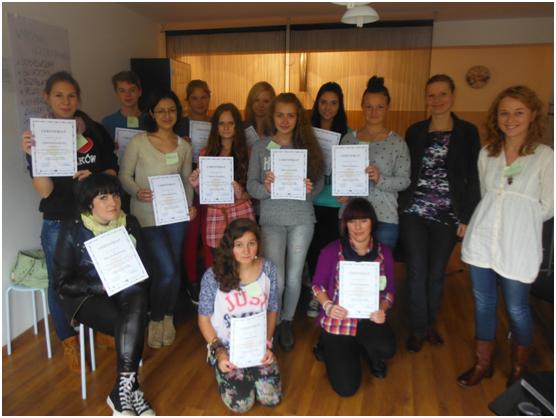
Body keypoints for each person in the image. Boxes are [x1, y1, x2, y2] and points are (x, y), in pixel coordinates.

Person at [21, 71, 118, 372]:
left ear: (79, 98)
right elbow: (45, 191)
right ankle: (68, 339)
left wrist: (96, 177)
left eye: (72, 95)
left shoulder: (95, 131)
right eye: (59, 95)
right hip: (58, 221)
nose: (66, 101)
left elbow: (112, 173)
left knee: (100, 276)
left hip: (93, 219)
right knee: (59, 283)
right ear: (47, 98)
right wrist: (33, 155)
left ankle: (101, 329)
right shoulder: (39, 136)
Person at [458, 86, 553, 388]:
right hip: (483, 238)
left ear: (533, 115)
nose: (510, 120)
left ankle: (519, 368)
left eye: (519, 112)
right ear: (496, 117)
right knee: (483, 303)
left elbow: (549, 205)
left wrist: (517, 219)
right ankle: (482, 364)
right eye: (504, 113)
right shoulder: (488, 152)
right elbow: (486, 194)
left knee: (517, 308)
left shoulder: (544, 156)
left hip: (519, 244)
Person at [53, 173, 154, 415]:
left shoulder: (129, 222)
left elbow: (146, 267)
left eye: (115, 195)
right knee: (130, 321)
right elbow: (62, 284)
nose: (113, 203)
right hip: (86, 296)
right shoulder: (73, 229)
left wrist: (132, 276)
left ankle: (121, 393)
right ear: (90, 203)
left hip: (125, 291)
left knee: (136, 300)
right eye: (103, 197)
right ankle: (130, 390)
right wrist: (100, 286)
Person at [398, 74, 481, 353]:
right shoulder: (415, 131)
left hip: (448, 214)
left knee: (435, 273)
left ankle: (429, 325)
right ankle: (417, 329)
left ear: (453, 96)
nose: (437, 100)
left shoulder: (468, 132)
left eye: (442, 94)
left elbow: (474, 177)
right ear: (426, 99)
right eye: (431, 95)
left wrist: (466, 217)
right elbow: (405, 171)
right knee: (416, 270)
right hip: (413, 212)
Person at [247, 92, 324, 351]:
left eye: (291, 115)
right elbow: (251, 186)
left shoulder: (308, 147)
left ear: (298, 118)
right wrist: (266, 188)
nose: (285, 120)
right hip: (271, 219)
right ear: (272, 116)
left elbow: (319, 184)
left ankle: (287, 322)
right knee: (277, 279)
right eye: (280, 115)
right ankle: (275, 319)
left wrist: (309, 188)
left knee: (293, 277)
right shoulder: (261, 147)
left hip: (302, 217)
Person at [119, 89, 196, 349]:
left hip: (175, 217)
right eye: (161, 110)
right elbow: (124, 175)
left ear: (178, 113)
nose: (167, 115)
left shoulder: (184, 146)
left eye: (171, 110)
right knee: (167, 270)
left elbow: (186, 181)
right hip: (146, 216)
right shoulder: (139, 142)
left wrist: (188, 207)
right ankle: (155, 318)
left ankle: (168, 317)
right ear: (151, 113)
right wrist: (136, 191)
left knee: (173, 270)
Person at [311, 198, 396, 397]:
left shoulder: (384, 253)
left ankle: (365, 351)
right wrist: (328, 305)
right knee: (346, 389)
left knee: (387, 349)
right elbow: (317, 285)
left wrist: (383, 309)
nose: (358, 227)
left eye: (363, 221)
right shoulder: (332, 250)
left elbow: (390, 291)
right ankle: (328, 344)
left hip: (368, 317)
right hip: (339, 319)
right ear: (345, 224)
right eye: (352, 221)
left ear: (372, 223)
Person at [198, 218, 282, 413]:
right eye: (239, 245)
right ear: (230, 247)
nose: (246, 251)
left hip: (258, 344)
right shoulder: (213, 276)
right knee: (242, 405)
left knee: (271, 399)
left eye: (251, 243)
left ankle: (251, 372)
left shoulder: (268, 269)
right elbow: (203, 319)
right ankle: (219, 366)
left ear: (258, 245)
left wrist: (267, 343)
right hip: (225, 348)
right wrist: (219, 351)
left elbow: (272, 309)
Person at [340, 76, 410, 250]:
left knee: (382, 266)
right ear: (362, 107)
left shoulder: (397, 143)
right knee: (350, 265)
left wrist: (380, 179)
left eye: (380, 107)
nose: (374, 112)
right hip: (352, 217)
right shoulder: (348, 140)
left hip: (384, 217)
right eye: (369, 106)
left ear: (387, 108)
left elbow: (404, 181)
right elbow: (340, 176)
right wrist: (341, 193)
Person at [306, 82, 349, 318]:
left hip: (334, 203)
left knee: (331, 252)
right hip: (311, 200)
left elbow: (352, 170)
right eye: (323, 102)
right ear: (317, 104)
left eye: (333, 103)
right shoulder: (306, 133)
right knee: (313, 251)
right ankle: (315, 295)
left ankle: (330, 294)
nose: (328, 107)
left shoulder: (348, 135)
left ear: (340, 105)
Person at [189, 103, 255, 254]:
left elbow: (255, 189)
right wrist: (196, 185)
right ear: (215, 126)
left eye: (231, 123)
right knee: (219, 261)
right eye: (221, 123)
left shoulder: (248, 153)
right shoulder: (205, 153)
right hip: (216, 213)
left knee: (244, 260)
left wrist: (243, 193)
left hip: (241, 212)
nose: (226, 128)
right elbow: (204, 193)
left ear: (237, 125)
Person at [176, 79, 213, 304]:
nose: (200, 102)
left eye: (203, 97)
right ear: (187, 101)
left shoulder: (215, 123)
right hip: (187, 187)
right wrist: (183, 146)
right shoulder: (180, 126)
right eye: (194, 98)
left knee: (209, 236)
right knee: (191, 237)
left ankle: (209, 280)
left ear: (209, 97)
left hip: (211, 188)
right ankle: (192, 282)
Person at [101, 70, 146, 140]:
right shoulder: (107, 123)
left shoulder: (151, 121)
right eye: (122, 91)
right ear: (117, 93)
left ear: (140, 92)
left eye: (132, 90)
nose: (127, 95)